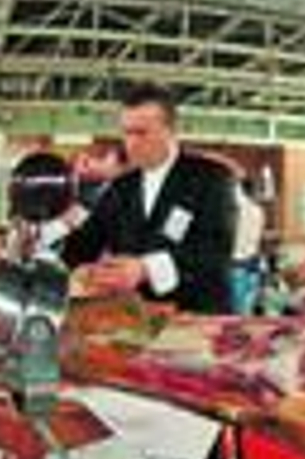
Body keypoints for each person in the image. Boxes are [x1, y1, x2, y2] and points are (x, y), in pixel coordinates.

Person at [63, 83, 238, 314]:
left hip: (197, 321)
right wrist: (54, 237)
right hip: (136, 323)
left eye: (142, 132)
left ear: (171, 130)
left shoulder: (211, 178)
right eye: (127, 132)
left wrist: (146, 269)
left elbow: (214, 253)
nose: (132, 143)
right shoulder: (120, 187)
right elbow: (84, 243)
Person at [229, 176, 267, 315]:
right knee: (247, 310)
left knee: (237, 311)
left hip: (237, 264)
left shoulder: (236, 210)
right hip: (253, 263)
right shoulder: (259, 211)